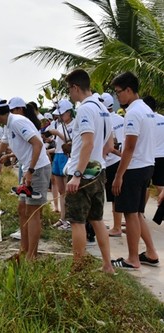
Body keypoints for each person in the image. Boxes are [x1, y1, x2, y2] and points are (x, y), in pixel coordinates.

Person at [0, 98, 51, 260]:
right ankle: (24, 248)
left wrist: (29, 170)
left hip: (37, 170)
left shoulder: (17, 122)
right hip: (29, 169)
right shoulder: (9, 125)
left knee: (32, 212)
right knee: (22, 210)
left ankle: (32, 255)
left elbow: (38, 144)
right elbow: (1, 147)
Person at [64, 69, 114, 274]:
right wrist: (96, 161)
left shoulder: (85, 109)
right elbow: (109, 143)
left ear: (76, 88)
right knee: (97, 219)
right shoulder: (103, 108)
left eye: (69, 90)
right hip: (97, 170)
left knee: (77, 221)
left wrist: (77, 174)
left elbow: (87, 142)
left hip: (82, 172)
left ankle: (77, 269)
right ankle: (107, 265)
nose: (69, 94)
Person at [111, 72, 159, 269]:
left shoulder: (133, 113)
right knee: (138, 213)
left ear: (129, 90)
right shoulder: (147, 110)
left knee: (130, 214)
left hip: (134, 167)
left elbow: (129, 147)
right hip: (147, 165)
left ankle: (132, 258)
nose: (118, 97)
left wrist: (118, 176)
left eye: (119, 92)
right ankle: (151, 252)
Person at [100, 92, 126, 237]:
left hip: (110, 160)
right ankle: (117, 224)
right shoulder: (121, 119)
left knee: (113, 195)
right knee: (115, 195)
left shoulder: (106, 119)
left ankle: (116, 227)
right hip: (119, 159)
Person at [47, 99, 74, 229]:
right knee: (61, 190)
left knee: (68, 189)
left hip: (66, 156)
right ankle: (62, 218)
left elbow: (71, 142)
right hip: (58, 155)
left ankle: (69, 219)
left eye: (62, 114)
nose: (60, 117)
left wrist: (58, 133)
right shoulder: (58, 125)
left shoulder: (74, 125)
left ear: (69, 112)